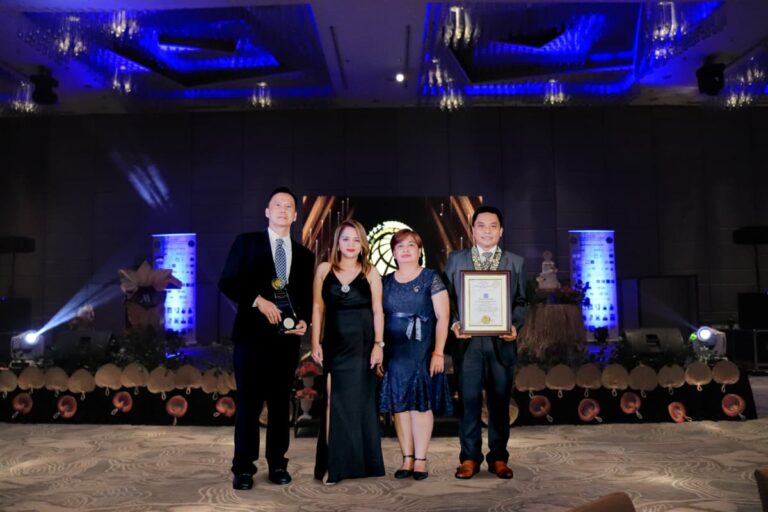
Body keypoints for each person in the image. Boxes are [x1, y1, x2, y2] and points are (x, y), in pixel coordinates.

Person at [218, 187, 314, 490]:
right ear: (267, 211)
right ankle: (243, 468)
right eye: (277, 205)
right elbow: (227, 282)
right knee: (248, 403)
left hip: (286, 343)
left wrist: (304, 322)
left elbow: (308, 298)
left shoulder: (304, 255)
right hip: (251, 339)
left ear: (296, 215)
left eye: (289, 206)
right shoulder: (246, 244)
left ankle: (277, 464)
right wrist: (258, 301)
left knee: (279, 404)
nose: (283, 210)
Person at [443, 205, 527, 480]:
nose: (487, 231)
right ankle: (469, 458)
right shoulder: (456, 260)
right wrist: (456, 323)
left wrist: (514, 325)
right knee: (468, 402)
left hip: (500, 343)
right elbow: (448, 300)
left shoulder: (515, 262)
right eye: (481, 225)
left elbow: (521, 302)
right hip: (467, 345)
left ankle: (498, 458)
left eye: (493, 226)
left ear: (501, 232)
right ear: (473, 229)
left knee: (500, 403)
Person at [311, 219, 386, 484]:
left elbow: (378, 310)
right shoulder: (323, 269)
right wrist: (315, 342)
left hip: (363, 344)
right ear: (337, 242)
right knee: (333, 401)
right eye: (346, 239)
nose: (351, 244)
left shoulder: (371, 271)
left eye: (356, 239)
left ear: (363, 243)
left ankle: (357, 463)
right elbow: (318, 307)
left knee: (358, 404)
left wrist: (379, 345)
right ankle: (334, 463)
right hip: (334, 343)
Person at [379, 229, 452, 481]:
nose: (406, 249)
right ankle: (406, 458)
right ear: (394, 252)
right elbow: (377, 317)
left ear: (420, 250)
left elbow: (443, 318)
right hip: (394, 351)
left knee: (420, 404)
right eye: (400, 246)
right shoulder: (385, 281)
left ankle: (420, 459)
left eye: (412, 245)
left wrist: (438, 353)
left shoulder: (431, 277)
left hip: (422, 349)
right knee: (400, 405)